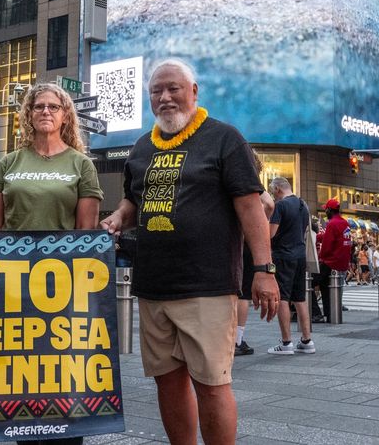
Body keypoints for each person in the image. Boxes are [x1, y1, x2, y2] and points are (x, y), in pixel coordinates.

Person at [99, 58, 277, 445]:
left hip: (207, 286)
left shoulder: (225, 138)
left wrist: (264, 269)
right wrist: (115, 219)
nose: (164, 98)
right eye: (156, 92)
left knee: (212, 383)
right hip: (153, 286)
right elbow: (134, 203)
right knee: (167, 382)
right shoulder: (142, 146)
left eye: (173, 89)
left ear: (193, 92)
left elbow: (251, 207)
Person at [0, 82, 101, 445]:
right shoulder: (9, 162)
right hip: (15, 284)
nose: (46, 111)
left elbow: (86, 231)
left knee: (65, 367)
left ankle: (68, 435)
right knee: (23, 367)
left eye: (54, 106)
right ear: (28, 115)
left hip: (63, 286)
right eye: (38, 107)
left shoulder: (80, 164)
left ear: (66, 115)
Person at [265, 177, 315, 355]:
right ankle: (307, 340)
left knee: (283, 299)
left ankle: (286, 343)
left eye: (273, 191)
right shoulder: (303, 205)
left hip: (283, 256)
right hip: (300, 255)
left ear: (278, 188)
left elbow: (270, 234)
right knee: (300, 298)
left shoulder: (281, 206)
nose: (273, 195)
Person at [235, 150, 275, 357]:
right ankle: (237, 339)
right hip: (246, 244)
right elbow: (269, 204)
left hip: (230, 244)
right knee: (242, 294)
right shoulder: (252, 187)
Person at [316, 198, 351, 321]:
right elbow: (334, 238)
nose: (325, 211)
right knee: (325, 286)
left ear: (330, 210)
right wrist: (317, 236)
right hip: (342, 263)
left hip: (330, 262)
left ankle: (316, 313)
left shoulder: (331, 223)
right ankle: (329, 314)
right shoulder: (344, 223)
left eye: (326, 209)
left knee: (308, 283)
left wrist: (320, 258)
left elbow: (327, 246)